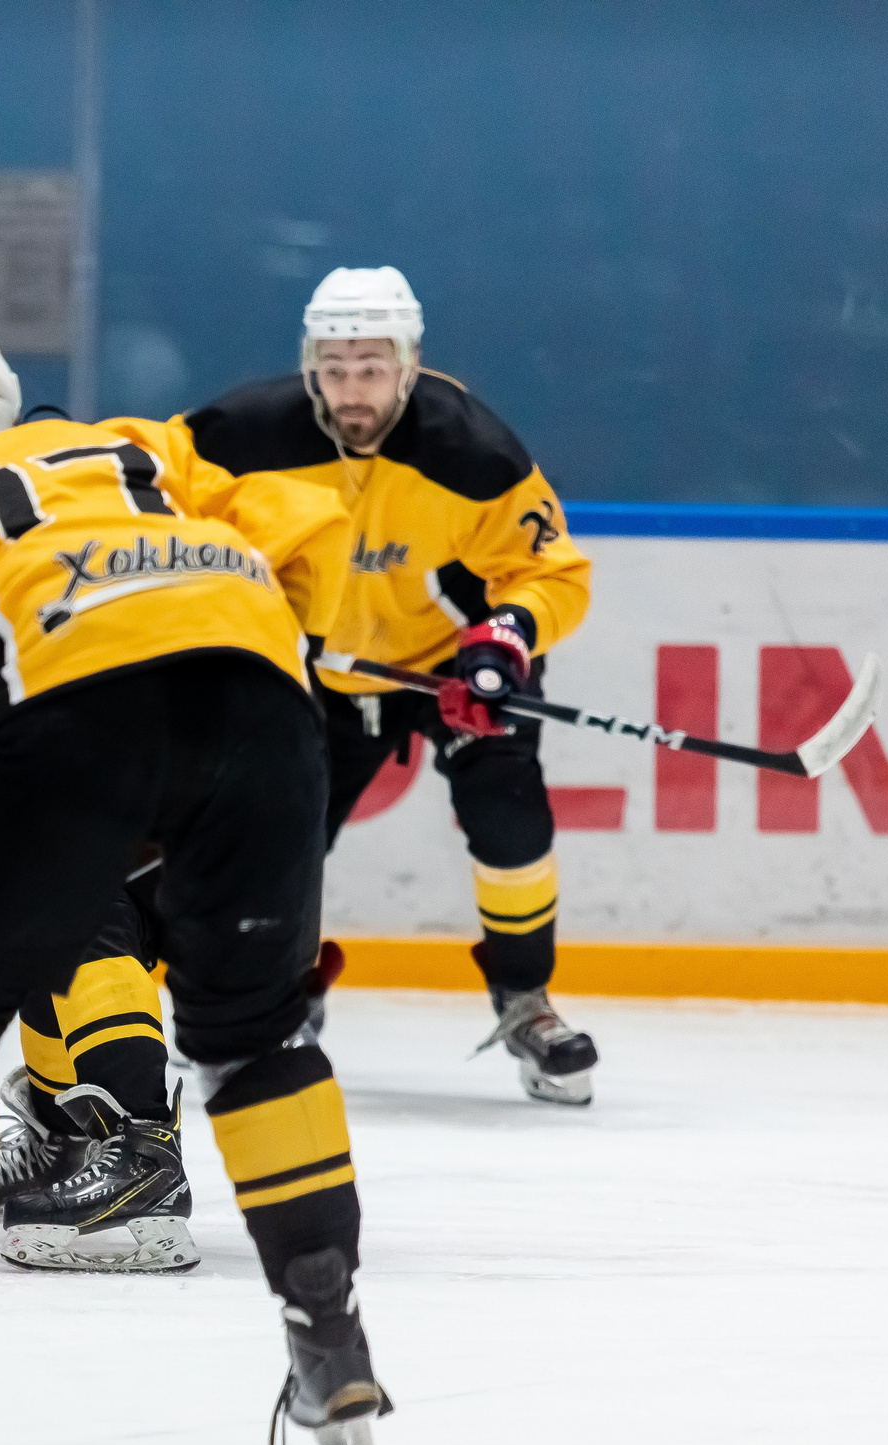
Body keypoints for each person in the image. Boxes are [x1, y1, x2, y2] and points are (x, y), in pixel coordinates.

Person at [0, 324, 397, 1445]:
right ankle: (329, 1338)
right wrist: (260, 670)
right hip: (262, 706)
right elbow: (310, 528)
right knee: (253, 1039)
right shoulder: (134, 447)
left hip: (67, 716)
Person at [182, 267, 599, 1103]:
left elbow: (550, 571)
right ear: (310, 366)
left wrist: (505, 641)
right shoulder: (237, 435)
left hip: (459, 659)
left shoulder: (474, 451)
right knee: (279, 833)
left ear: (409, 364)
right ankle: (282, 988)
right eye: (334, 369)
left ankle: (525, 1000)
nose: (352, 391)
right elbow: (155, 513)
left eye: (371, 368)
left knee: (509, 813)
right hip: (321, 666)